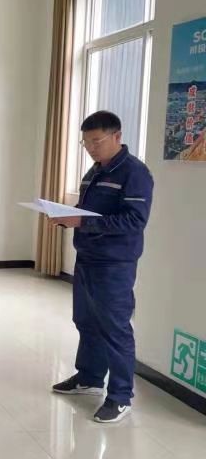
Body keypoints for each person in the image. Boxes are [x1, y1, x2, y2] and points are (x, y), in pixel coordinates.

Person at [51, 110, 154, 423]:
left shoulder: (134, 173)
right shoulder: (94, 171)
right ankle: (90, 377)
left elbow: (134, 221)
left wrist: (82, 221)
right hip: (87, 257)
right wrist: (65, 215)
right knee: (86, 321)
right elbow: (87, 210)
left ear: (117, 136)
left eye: (96, 141)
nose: (91, 148)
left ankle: (121, 396)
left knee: (114, 328)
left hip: (114, 264)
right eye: (86, 143)